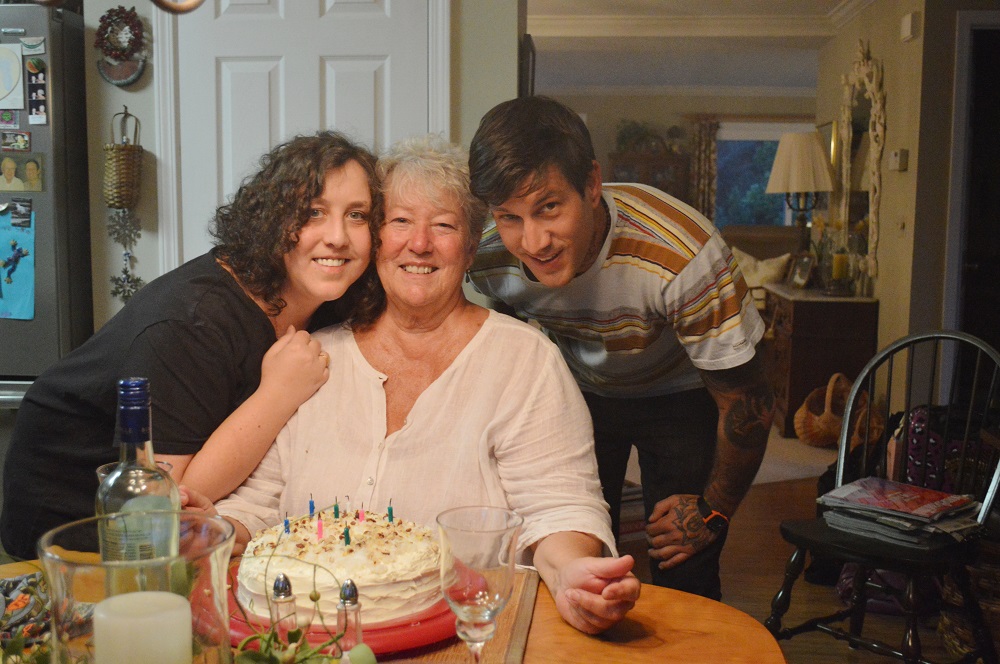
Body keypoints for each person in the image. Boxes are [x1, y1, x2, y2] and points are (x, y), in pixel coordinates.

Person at [185, 135, 640, 634]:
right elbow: (261, 501)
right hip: (308, 639)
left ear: (469, 249)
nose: (419, 244)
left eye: (443, 226)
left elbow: (558, 505)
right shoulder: (314, 357)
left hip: (464, 635)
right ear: (376, 240)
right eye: (400, 221)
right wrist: (215, 532)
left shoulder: (524, 362)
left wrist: (571, 571)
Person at [0, 131, 381, 559]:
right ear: (272, 220)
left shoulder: (330, 300)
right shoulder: (193, 321)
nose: (337, 237)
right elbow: (171, 495)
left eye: (357, 215)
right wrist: (278, 392)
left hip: (187, 525)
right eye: (313, 212)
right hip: (73, 515)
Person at [466, 96, 774, 600]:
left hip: (681, 394)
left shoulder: (683, 255)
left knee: (683, 565)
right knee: (575, 556)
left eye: (549, 207)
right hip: (575, 390)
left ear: (590, 185)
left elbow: (748, 402)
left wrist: (714, 511)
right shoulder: (487, 255)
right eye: (510, 217)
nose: (534, 240)